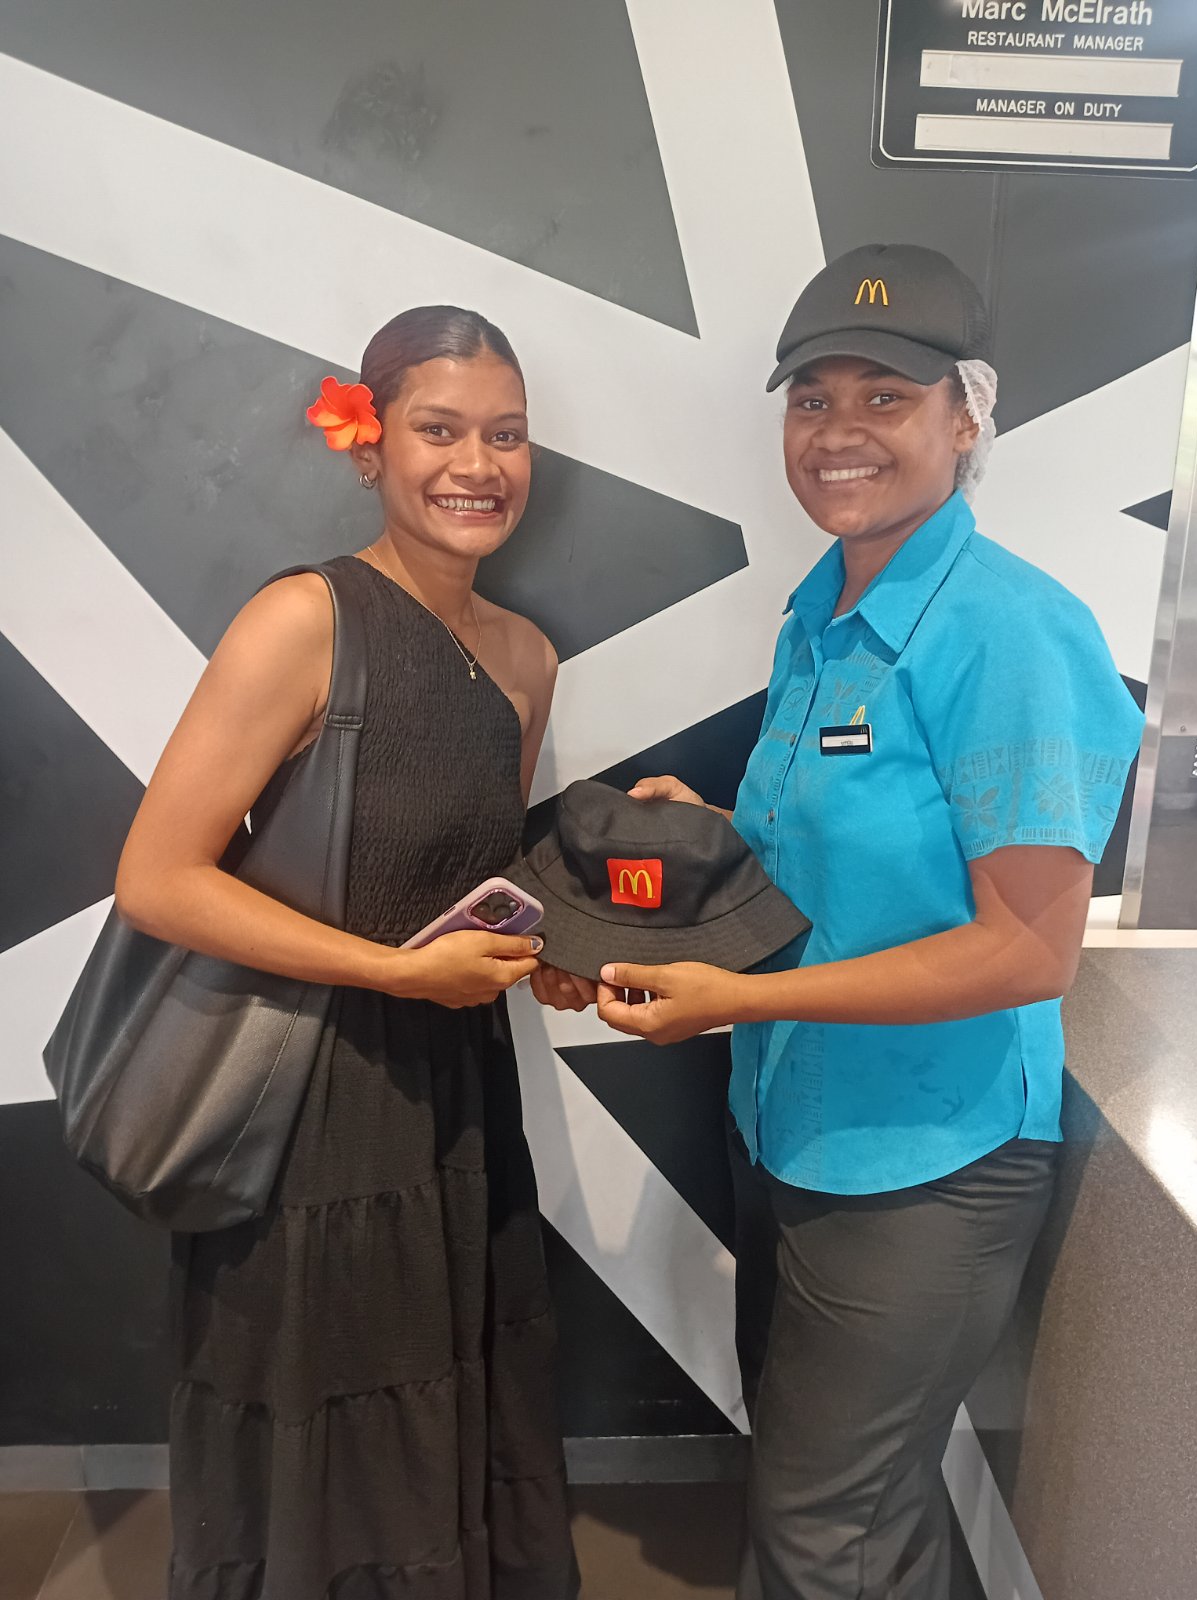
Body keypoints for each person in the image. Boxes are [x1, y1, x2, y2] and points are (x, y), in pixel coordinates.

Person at [546, 244, 1144, 1598]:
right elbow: (841, 855)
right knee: (840, 1508)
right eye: (812, 399)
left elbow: (1026, 950)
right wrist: (702, 838)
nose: (839, 431)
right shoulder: (822, 613)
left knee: (826, 1528)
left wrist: (739, 1001)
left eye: (887, 396)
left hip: (930, 1166)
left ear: (967, 418)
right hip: (794, 1130)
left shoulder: (1011, 631)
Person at [115, 306, 579, 1599]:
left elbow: (478, 878)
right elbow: (157, 878)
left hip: (455, 1094)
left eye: (506, 434)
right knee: (322, 1415)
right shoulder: (304, 620)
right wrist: (391, 973)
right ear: (368, 445)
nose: (477, 464)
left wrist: (610, 866)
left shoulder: (528, 658)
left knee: (439, 1392)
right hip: (302, 1104)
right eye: (440, 429)